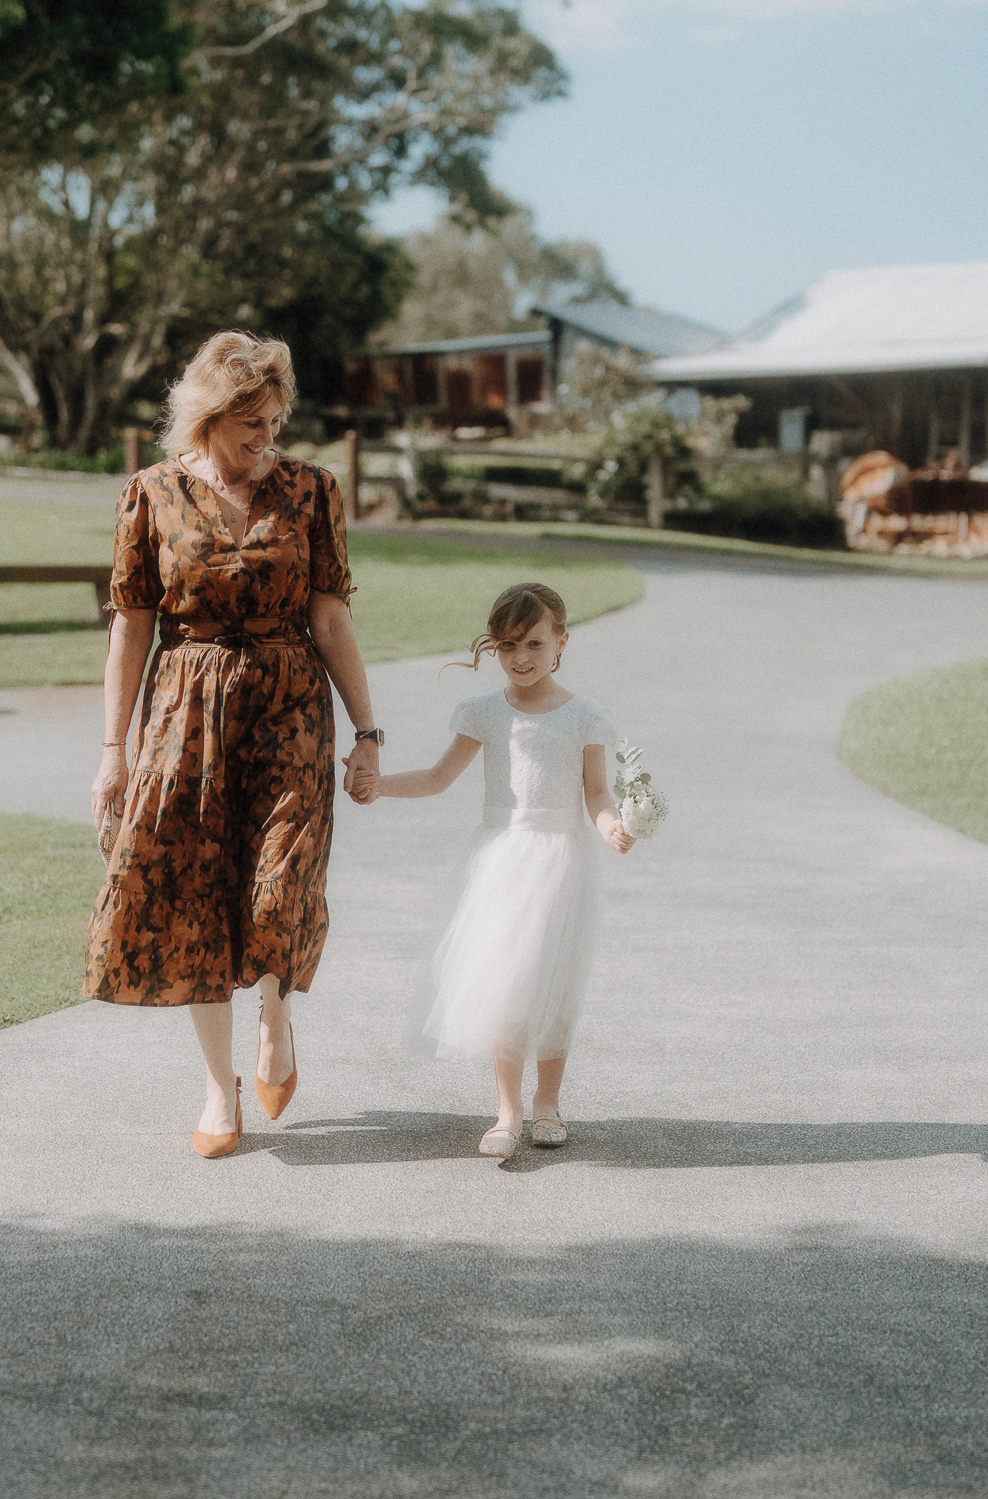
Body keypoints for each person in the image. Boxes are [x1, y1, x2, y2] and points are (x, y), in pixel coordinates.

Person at [85, 332, 382, 1156]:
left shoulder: (313, 491)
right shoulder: (148, 495)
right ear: (209, 417)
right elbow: (130, 628)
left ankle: (275, 1019)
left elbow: (330, 618)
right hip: (184, 715)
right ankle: (219, 1092)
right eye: (251, 421)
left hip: (291, 709)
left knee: (279, 884)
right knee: (193, 900)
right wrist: (113, 751)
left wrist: (367, 734)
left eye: (277, 419)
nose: (266, 437)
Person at [353, 582, 633, 1158]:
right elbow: (436, 778)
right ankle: (507, 1111)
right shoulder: (484, 713)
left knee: (554, 979)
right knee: (507, 982)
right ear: (494, 649)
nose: (521, 658)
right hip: (502, 858)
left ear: (562, 641)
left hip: (560, 859)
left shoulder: (583, 716)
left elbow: (598, 792)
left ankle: (548, 1103)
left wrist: (611, 826)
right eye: (507, 646)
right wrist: (380, 786)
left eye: (533, 642)